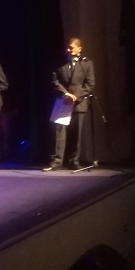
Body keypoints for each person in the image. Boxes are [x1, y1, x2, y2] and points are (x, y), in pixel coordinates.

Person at [44, 38, 95, 171]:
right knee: (59, 132)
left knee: (76, 133)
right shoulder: (59, 63)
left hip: (79, 103)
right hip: (63, 101)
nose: (68, 50)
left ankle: (74, 160)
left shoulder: (87, 64)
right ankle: (56, 161)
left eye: (71, 48)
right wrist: (65, 93)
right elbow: (54, 80)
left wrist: (76, 96)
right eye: (67, 47)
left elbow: (90, 85)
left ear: (79, 49)